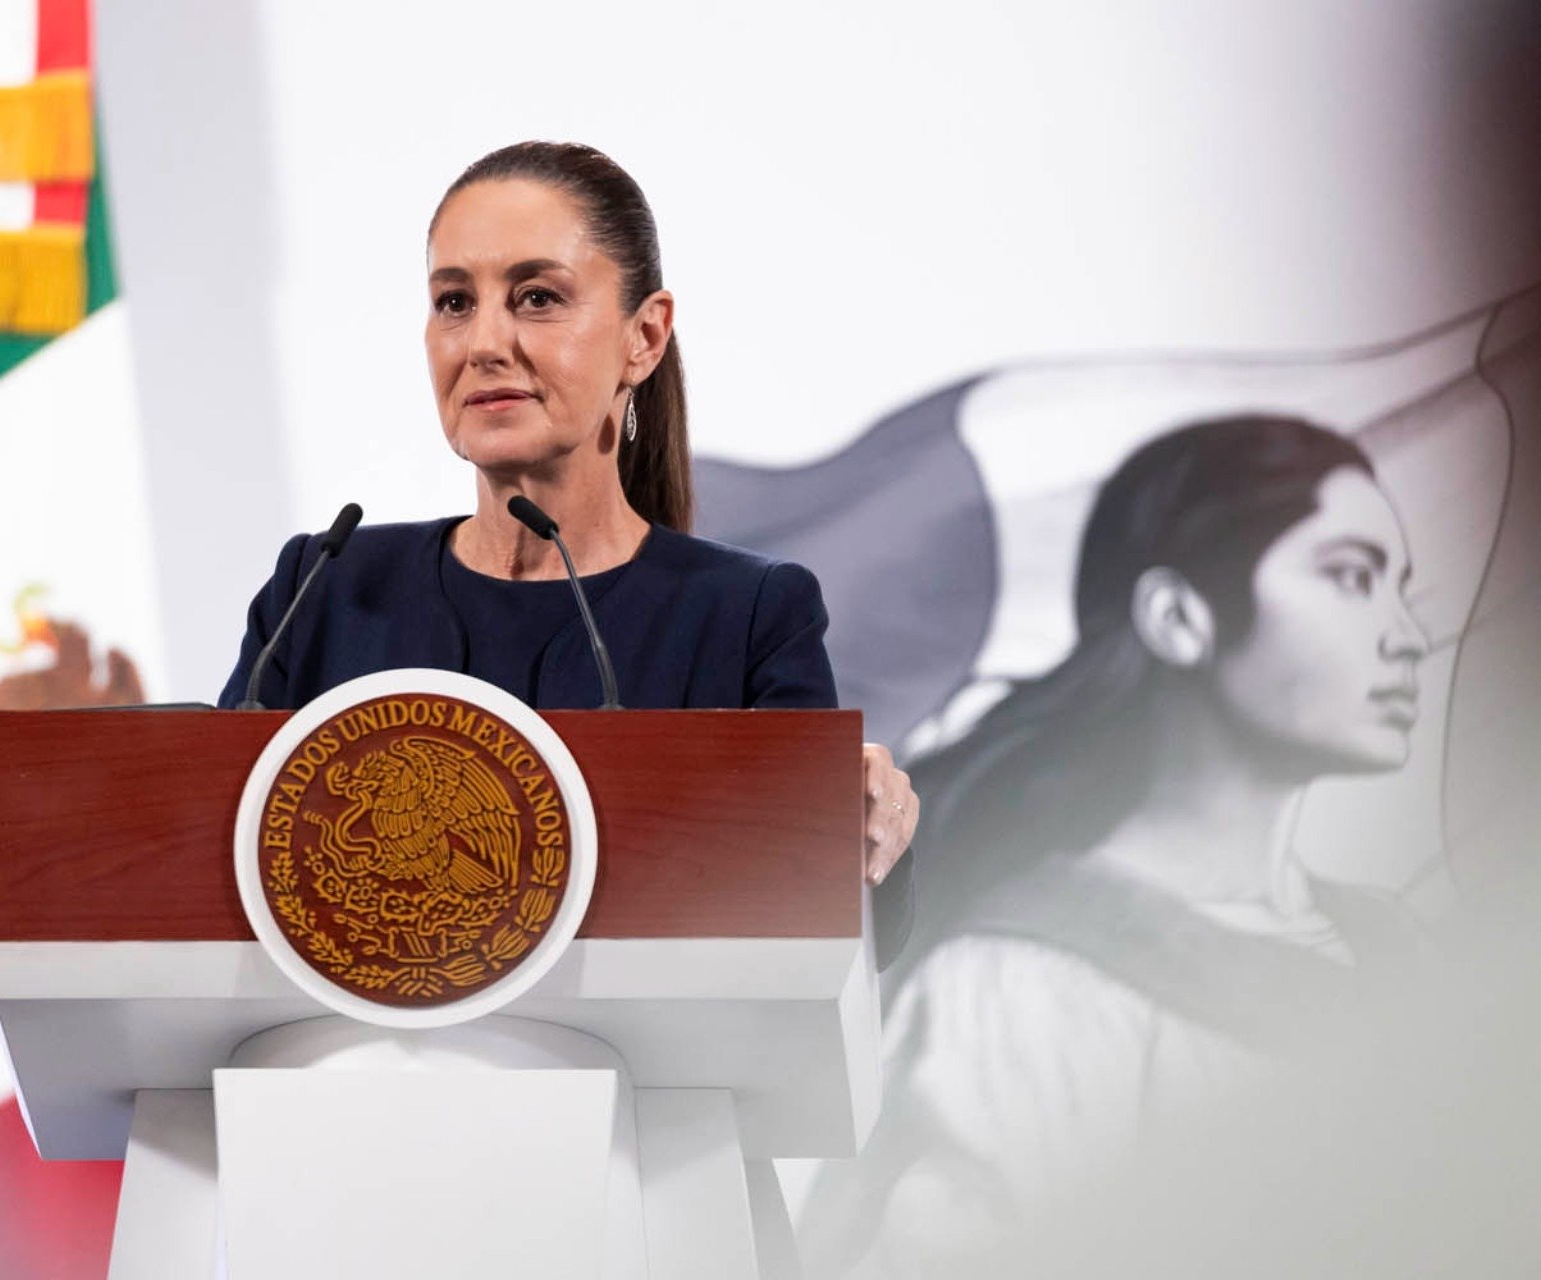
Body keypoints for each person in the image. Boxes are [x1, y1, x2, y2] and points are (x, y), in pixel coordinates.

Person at [798, 416, 1431, 1276]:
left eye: (1400, 588)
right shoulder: (1022, 989)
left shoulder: (1402, 947)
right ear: (1179, 617)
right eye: (1352, 577)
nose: (1408, 636)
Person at [216, 141, 917, 883]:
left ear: (644, 336)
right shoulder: (323, 590)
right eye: (454, 302)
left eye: (537, 298)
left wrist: (868, 830)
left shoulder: (747, 619)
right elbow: (207, 851)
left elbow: (808, 904)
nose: (484, 343)